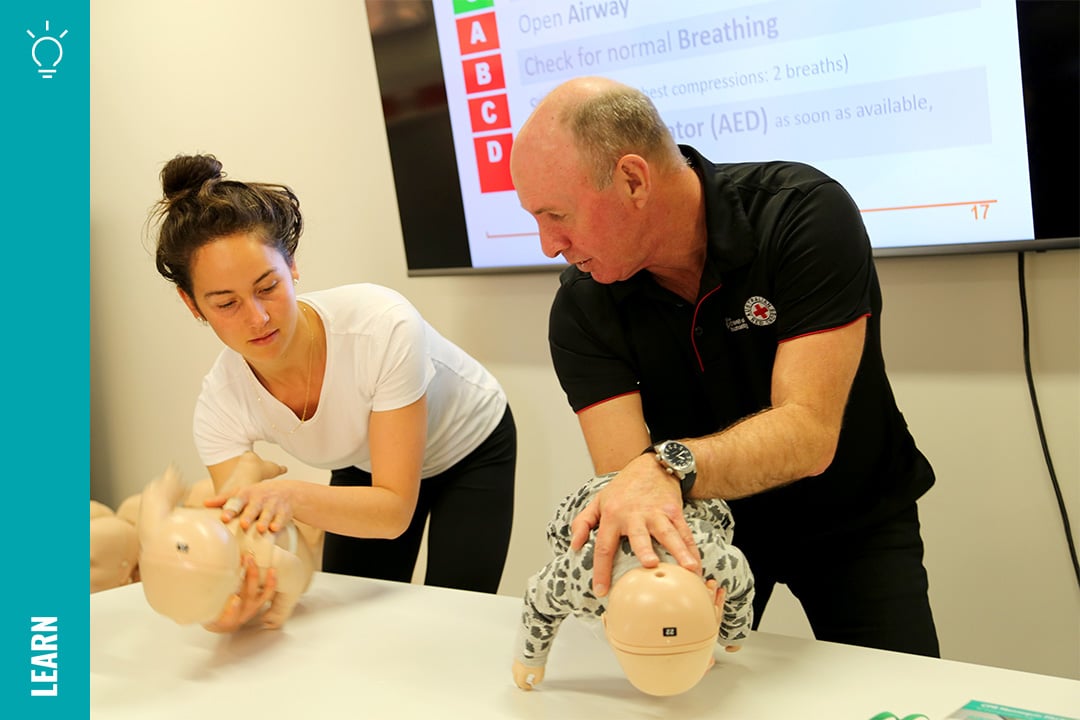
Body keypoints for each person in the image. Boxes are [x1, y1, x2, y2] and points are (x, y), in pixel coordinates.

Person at [509, 76, 939, 657]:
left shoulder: (801, 215)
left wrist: (667, 467)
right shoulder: (584, 307)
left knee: (899, 688)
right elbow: (631, 488)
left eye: (556, 214)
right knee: (695, 693)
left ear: (634, 179)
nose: (548, 244)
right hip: (704, 531)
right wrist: (656, 568)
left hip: (853, 519)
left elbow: (809, 433)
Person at [151, 153, 516, 631]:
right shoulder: (221, 402)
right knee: (351, 616)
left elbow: (391, 513)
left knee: (457, 620)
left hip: (470, 445)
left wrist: (285, 494)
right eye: (226, 303)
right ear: (191, 303)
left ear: (292, 264)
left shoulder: (381, 325)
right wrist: (228, 599)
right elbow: (250, 545)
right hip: (364, 458)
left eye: (268, 287)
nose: (257, 318)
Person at [512, 472, 753, 694]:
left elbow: (741, 584)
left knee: (717, 514)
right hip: (593, 506)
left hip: (690, 506)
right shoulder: (583, 573)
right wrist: (529, 658)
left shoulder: (714, 560)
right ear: (606, 623)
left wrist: (733, 631)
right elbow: (538, 598)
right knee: (569, 535)